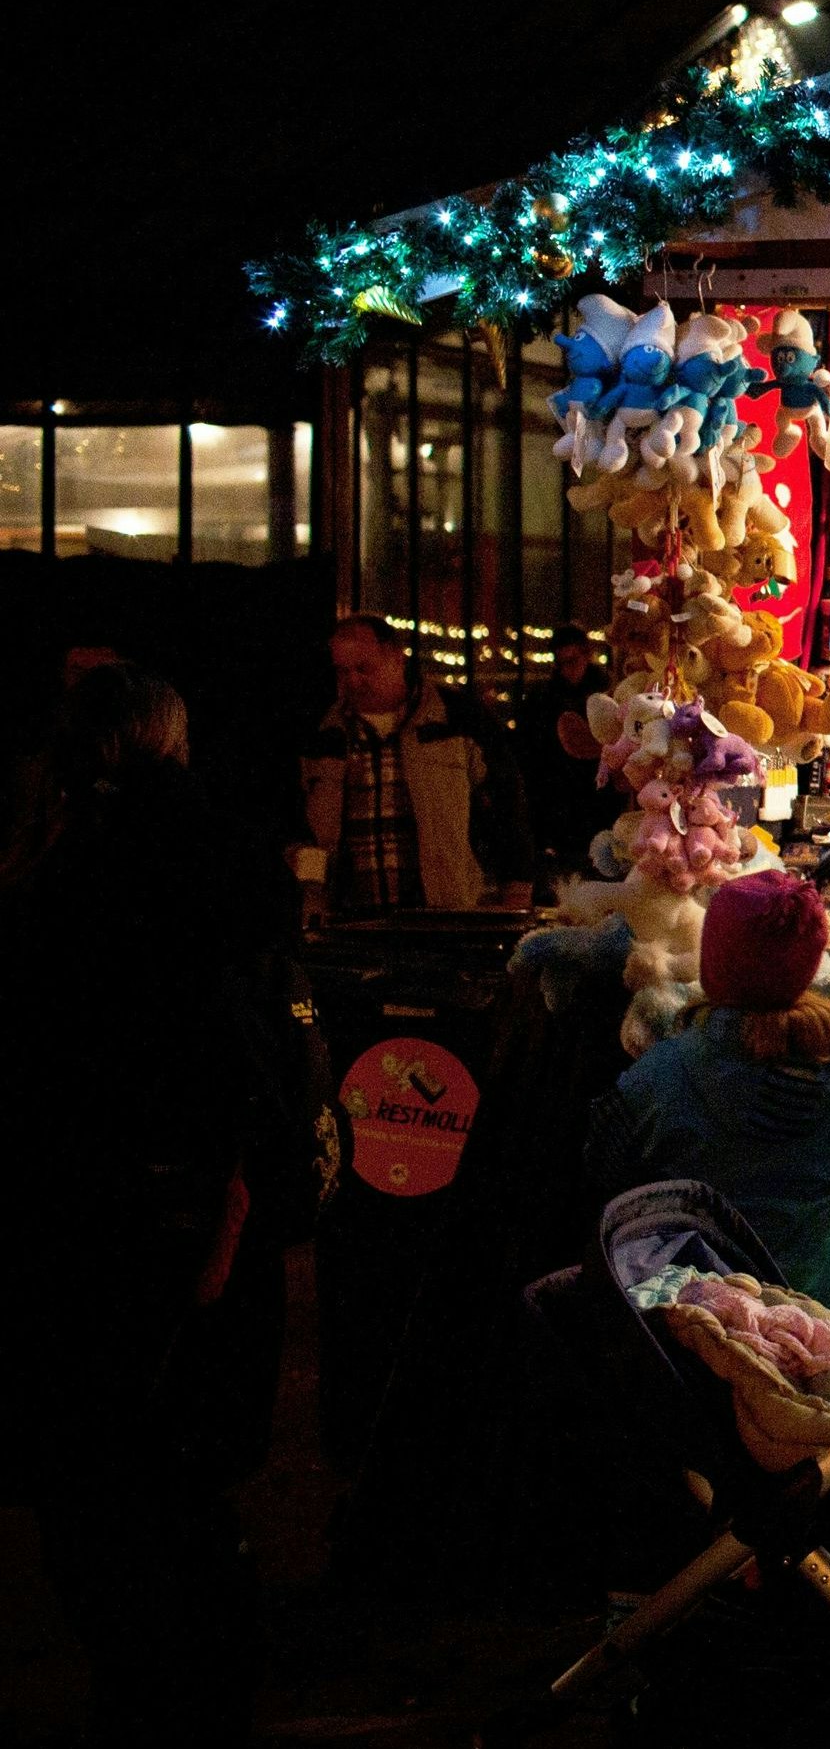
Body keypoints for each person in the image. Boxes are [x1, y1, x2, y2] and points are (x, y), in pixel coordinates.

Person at [5, 663, 323, 1748]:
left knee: (100, 1456)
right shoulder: (218, 855)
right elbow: (254, 1033)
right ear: (170, 739)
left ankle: (135, 1675)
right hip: (205, 1189)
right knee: (190, 1453)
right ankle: (205, 1674)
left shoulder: (47, 860)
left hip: (83, 1198)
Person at [588, 868, 830, 1309]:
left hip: (696, 1317)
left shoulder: (653, 1079)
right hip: (817, 1312)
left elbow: (604, 1182)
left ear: (714, 960)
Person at [298, 614, 530, 920]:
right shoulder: (325, 734)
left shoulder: (456, 717)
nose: (353, 681)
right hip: (351, 919)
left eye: (364, 668)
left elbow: (506, 802)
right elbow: (301, 823)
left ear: (396, 658)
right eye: (343, 672)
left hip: (443, 914)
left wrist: (516, 883)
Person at [516, 625, 624, 885]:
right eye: (561, 663)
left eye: (572, 661)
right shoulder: (545, 699)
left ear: (587, 655)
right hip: (560, 797)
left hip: (599, 795)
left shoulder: (607, 693)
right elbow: (531, 748)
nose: (567, 670)